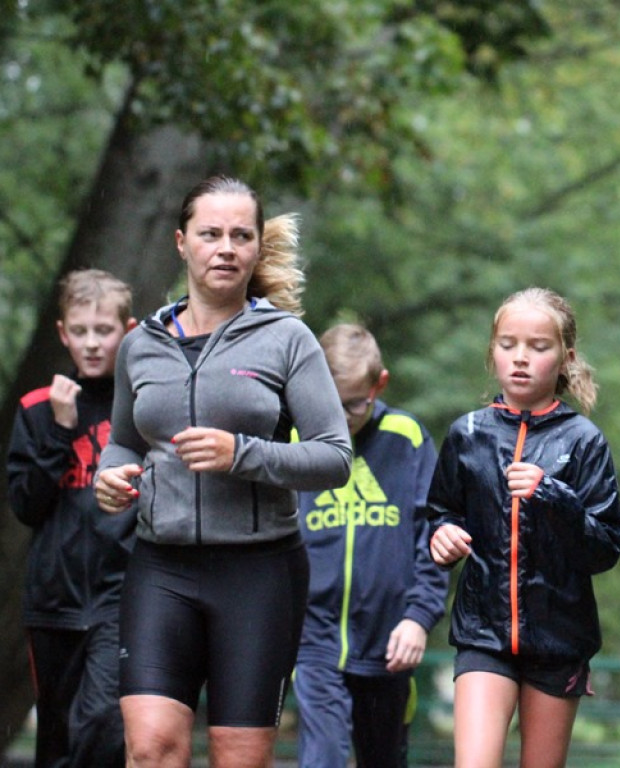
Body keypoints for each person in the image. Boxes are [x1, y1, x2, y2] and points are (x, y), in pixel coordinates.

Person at [93, 175, 353, 768]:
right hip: (162, 567)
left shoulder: (287, 341)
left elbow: (334, 457)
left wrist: (243, 454)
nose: (227, 248)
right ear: (182, 243)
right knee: (151, 747)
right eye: (211, 234)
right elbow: (124, 442)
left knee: (237, 758)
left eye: (241, 235)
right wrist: (112, 477)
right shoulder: (141, 345)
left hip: (259, 574)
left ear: (258, 248)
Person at [428, 286, 620, 768]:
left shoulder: (583, 440)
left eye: (538, 347)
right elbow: (439, 512)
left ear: (565, 359)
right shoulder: (467, 435)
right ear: (492, 352)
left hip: (558, 640)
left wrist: (552, 496)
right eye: (508, 344)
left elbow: (605, 547)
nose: (521, 358)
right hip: (482, 635)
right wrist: (441, 534)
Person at [293, 323, 448, 768]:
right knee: (321, 756)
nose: (340, 417)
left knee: (383, 758)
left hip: (389, 644)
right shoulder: (296, 442)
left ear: (378, 385)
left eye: (354, 404)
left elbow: (433, 535)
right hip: (314, 639)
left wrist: (418, 618)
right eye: (330, 403)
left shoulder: (408, 438)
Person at [7, 268, 137, 768]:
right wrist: (60, 433)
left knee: (103, 724)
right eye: (79, 331)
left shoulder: (141, 405)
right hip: (53, 603)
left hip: (119, 599)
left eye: (103, 331)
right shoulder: (37, 409)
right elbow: (26, 506)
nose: (91, 343)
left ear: (126, 331)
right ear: (63, 333)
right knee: (57, 742)